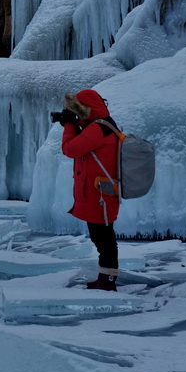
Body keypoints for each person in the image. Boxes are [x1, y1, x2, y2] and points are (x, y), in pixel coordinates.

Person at [53, 89, 121, 291]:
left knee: (104, 238)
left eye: (77, 111)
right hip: (98, 192)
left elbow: (70, 149)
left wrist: (69, 125)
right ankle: (105, 277)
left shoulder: (99, 129)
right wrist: (74, 124)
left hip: (100, 193)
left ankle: (108, 280)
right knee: (101, 235)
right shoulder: (98, 127)